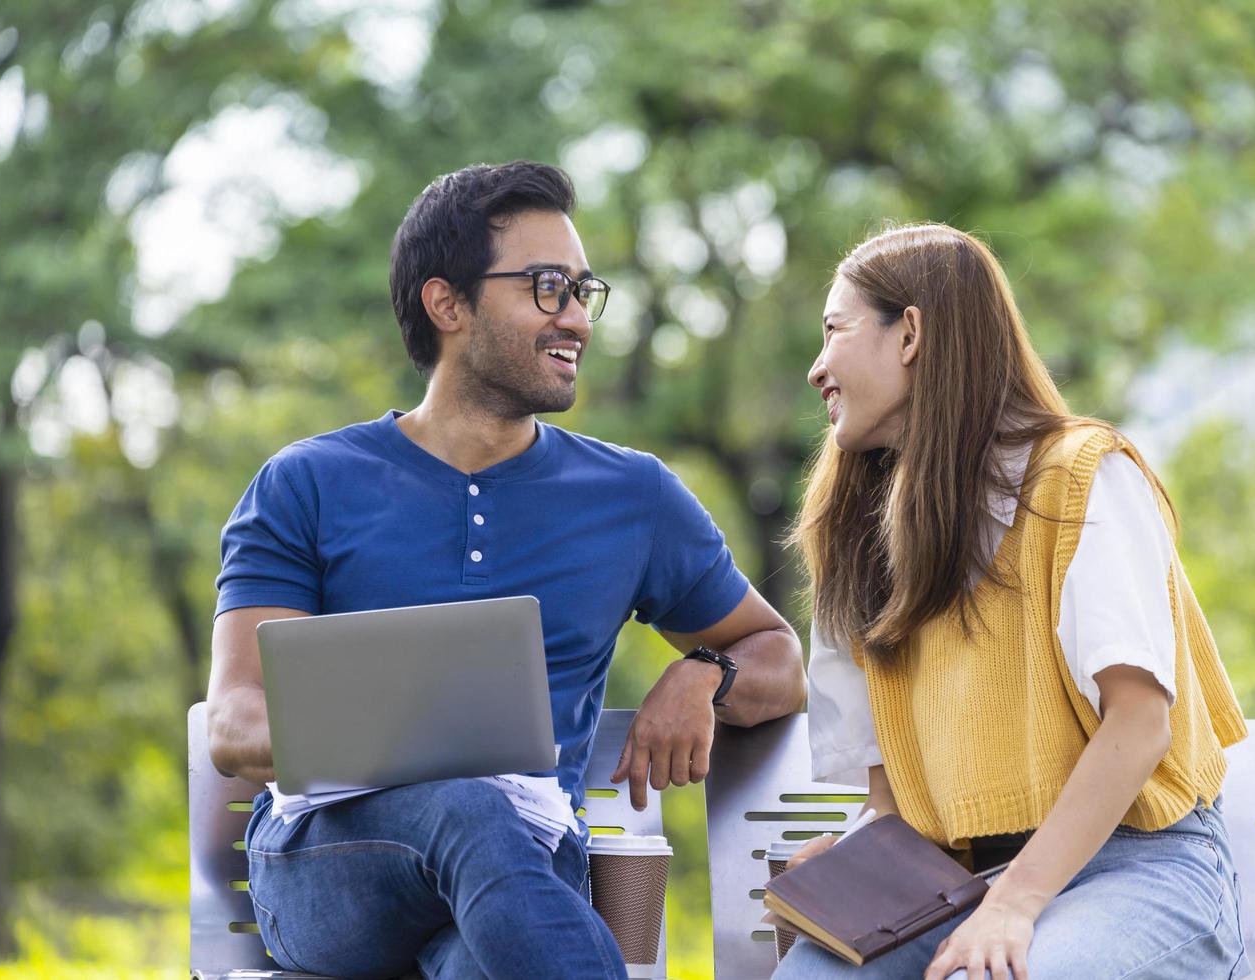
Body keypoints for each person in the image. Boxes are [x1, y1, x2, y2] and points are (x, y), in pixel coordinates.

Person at [206, 161, 806, 980]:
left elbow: (779, 657)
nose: (577, 320)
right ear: (446, 302)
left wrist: (705, 673)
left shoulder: (633, 496)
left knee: (482, 954)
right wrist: (397, 742)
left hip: (526, 867)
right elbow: (236, 725)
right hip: (327, 869)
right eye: (547, 287)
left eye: (583, 291)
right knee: (467, 805)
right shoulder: (305, 485)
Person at [773, 223, 1251, 980]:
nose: (816, 367)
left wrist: (1016, 903)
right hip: (956, 885)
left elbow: (1140, 724)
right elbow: (894, 805)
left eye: (835, 330)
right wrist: (846, 878)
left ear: (911, 335)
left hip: (1138, 865)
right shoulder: (854, 533)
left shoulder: (1082, 477)